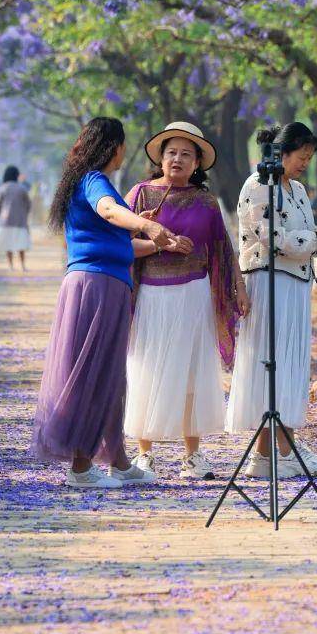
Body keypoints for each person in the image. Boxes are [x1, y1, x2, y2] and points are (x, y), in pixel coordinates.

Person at [31, 116, 194, 490]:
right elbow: (108, 210)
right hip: (97, 286)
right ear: (113, 146)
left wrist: (157, 242)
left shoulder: (85, 181)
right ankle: (81, 467)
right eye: (123, 144)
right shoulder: (94, 180)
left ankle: (118, 462)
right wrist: (145, 223)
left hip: (104, 282)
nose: (124, 151)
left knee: (112, 378)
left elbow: (119, 243)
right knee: (94, 373)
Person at [226, 122, 317, 479]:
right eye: (301, 157)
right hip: (268, 283)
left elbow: (311, 245)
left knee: (288, 365)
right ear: (281, 152)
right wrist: (315, 236)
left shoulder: (299, 190)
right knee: (271, 364)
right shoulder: (257, 185)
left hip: (297, 285)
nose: (304, 164)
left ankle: (263, 456)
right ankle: (285, 449)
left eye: (309, 158)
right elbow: (272, 237)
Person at [124, 122, 250, 482]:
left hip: (193, 295)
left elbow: (224, 250)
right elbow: (122, 244)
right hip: (152, 294)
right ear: (160, 158)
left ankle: (192, 457)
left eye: (185, 154)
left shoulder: (207, 202)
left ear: (198, 164)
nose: (177, 159)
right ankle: (144, 454)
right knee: (148, 369)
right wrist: (160, 243)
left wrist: (238, 288)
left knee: (192, 374)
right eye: (171, 152)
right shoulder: (140, 196)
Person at [0, 165, 32, 271]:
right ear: (16, 175)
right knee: (21, 244)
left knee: (8, 244)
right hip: (20, 221)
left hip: (6, 220)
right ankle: (23, 266)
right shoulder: (22, 188)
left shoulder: (3, 187)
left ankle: (10, 266)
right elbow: (28, 204)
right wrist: (25, 214)